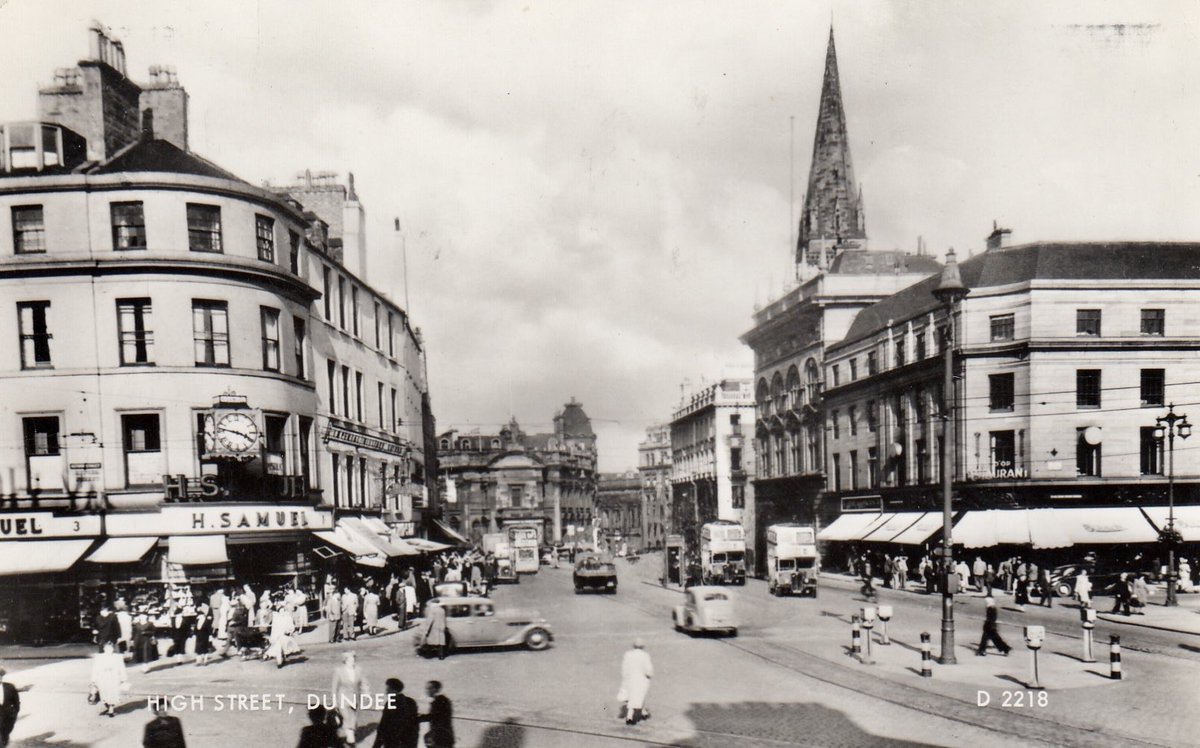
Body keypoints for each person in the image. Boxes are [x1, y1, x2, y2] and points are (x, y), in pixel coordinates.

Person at [331, 653, 368, 747]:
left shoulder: (358, 669)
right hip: (343, 697)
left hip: (355, 698)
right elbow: (334, 687)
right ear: (345, 660)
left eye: (353, 660)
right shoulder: (339, 671)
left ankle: (350, 735)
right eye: (350, 660)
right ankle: (350, 738)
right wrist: (334, 702)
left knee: (354, 718)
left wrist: (366, 693)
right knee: (347, 717)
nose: (352, 662)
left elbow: (364, 682)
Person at [373, 678, 419, 748]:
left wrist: (376, 746)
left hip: (392, 743)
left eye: (388, 689)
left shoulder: (391, 703)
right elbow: (415, 724)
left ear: (393, 689)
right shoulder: (411, 702)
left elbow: (383, 726)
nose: (386, 692)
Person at [617, 638, 654, 725]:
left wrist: (625, 677)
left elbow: (624, 667)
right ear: (643, 646)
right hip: (641, 679)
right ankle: (630, 716)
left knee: (633, 696)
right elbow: (648, 668)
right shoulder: (645, 655)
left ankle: (642, 712)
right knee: (639, 695)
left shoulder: (628, 654)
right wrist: (649, 674)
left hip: (630, 678)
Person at [90, 642, 129, 718]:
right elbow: (95, 669)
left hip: (114, 678)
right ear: (104, 649)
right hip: (102, 678)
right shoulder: (99, 657)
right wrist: (93, 679)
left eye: (110, 648)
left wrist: (124, 678)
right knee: (104, 695)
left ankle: (111, 709)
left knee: (112, 694)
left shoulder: (117, 657)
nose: (109, 650)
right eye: (107, 648)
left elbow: (122, 668)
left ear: (113, 649)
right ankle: (109, 707)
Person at [420, 681, 454, 748]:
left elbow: (433, 716)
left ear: (436, 689)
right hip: (443, 734)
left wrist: (415, 718)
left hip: (440, 735)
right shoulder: (442, 700)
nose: (427, 690)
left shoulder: (439, 701)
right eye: (426, 688)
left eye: (429, 688)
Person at [265, 604, 300, 668]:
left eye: (283, 610)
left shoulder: (287, 618)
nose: (282, 612)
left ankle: (282, 658)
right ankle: (279, 662)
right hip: (277, 637)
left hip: (284, 636)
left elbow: (291, 627)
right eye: (280, 611)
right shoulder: (276, 618)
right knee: (278, 648)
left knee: (283, 648)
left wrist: (289, 631)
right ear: (278, 612)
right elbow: (272, 624)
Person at [0, 666, 19, 748]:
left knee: (5, 735)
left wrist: (14, 713)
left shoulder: (10, 687)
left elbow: (16, 702)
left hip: (8, 716)